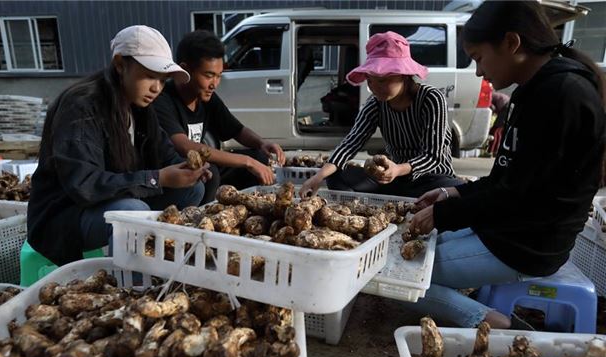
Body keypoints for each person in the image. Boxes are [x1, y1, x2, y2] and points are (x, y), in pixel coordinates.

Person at [406, 0, 605, 329]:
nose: (479, 72)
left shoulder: (562, 95)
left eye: (479, 58)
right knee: (417, 246)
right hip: (507, 229)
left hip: (527, 245)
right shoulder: (534, 92)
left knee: (404, 273)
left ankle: (495, 324)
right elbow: (506, 179)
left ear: (512, 43)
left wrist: (444, 215)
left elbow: (519, 196)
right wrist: (450, 195)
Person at [28, 25, 210, 266]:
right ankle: (129, 286)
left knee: (192, 189)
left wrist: (187, 169)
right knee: (131, 211)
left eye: (162, 80)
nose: (156, 88)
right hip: (65, 216)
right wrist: (157, 178)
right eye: (149, 76)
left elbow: (164, 153)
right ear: (120, 64)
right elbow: (85, 185)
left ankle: (165, 263)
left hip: (108, 203)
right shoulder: (82, 106)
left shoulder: (140, 106)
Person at [300, 31, 462, 199]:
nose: (375, 87)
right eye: (370, 80)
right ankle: (361, 211)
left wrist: (398, 169)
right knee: (335, 175)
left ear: (404, 75)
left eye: (383, 80)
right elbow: (350, 143)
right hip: (394, 181)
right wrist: (318, 177)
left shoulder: (431, 99)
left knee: (459, 192)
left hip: (432, 180)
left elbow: (433, 156)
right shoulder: (376, 103)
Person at [153, 30, 286, 204]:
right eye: (208, 75)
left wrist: (262, 143)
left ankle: (245, 210)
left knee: (259, 158)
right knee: (211, 172)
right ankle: (202, 221)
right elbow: (185, 147)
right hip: (172, 178)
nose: (214, 84)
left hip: (202, 171)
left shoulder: (206, 96)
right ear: (185, 70)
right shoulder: (163, 100)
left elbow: (237, 130)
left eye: (219, 76)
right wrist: (246, 162)